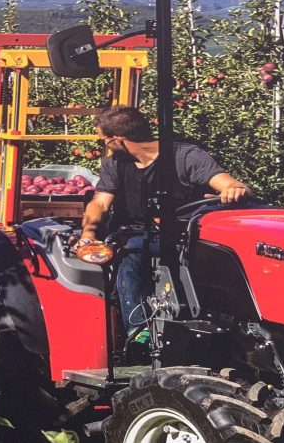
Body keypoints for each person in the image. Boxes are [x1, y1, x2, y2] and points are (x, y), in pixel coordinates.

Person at [80, 106, 252, 331]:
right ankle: (137, 331)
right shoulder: (115, 164)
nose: (104, 146)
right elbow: (100, 202)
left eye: (104, 140)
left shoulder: (186, 157)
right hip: (136, 234)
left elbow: (229, 184)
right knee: (129, 252)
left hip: (184, 235)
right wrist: (88, 233)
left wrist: (234, 189)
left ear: (119, 140)